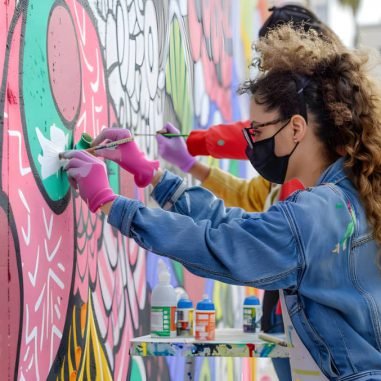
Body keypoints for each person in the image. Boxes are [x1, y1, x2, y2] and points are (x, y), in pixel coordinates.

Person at [62, 24, 381, 379]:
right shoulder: (350, 196)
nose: (251, 143)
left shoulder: (318, 213)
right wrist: (153, 175)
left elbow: (220, 245)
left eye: (257, 131)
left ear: (295, 128)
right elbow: (240, 228)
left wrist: (110, 202)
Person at [155, 4, 341, 379]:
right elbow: (254, 198)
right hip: (290, 314)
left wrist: (193, 146)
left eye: (269, 59)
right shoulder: (297, 167)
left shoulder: (322, 182)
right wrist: (192, 165)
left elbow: (234, 238)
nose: (265, 71)